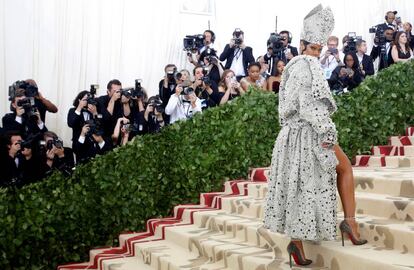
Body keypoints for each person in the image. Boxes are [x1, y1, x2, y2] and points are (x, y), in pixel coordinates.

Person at [263, 5, 366, 267]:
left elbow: (285, 106)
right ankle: (350, 223)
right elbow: (310, 105)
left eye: (319, 50)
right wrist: (327, 131)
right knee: (345, 169)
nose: (316, 54)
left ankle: (297, 244)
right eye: (314, 48)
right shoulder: (309, 66)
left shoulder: (288, 68)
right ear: (302, 45)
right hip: (310, 135)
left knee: (299, 186)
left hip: (290, 136)